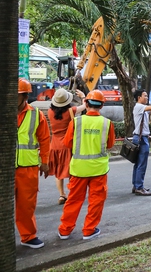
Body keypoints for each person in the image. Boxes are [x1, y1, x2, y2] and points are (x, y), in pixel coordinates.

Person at [58, 90, 115, 241]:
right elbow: (110, 145)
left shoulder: (76, 122)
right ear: (102, 106)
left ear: (86, 104)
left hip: (78, 170)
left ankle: (65, 230)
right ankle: (89, 230)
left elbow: (67, 143)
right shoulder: (107, 123)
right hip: (98, 170)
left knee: (74, 200)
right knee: (96, 200)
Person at [16, 78, 50, 249]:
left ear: (25, 96)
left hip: (27, 167)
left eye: (18, 95)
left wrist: (45, 162)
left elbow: (44, 140)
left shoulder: (36, 115)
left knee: (27, 204)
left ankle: (28, 236)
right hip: (5, 169)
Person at [48, 88, 86, 205]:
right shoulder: (71, 110)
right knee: (71, 170)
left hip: (54, 145)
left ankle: (61, 194)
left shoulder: (50, 112)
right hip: (68, 144)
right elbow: (85, 106)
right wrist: (83, 96)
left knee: (59, 171)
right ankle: (71, 194)